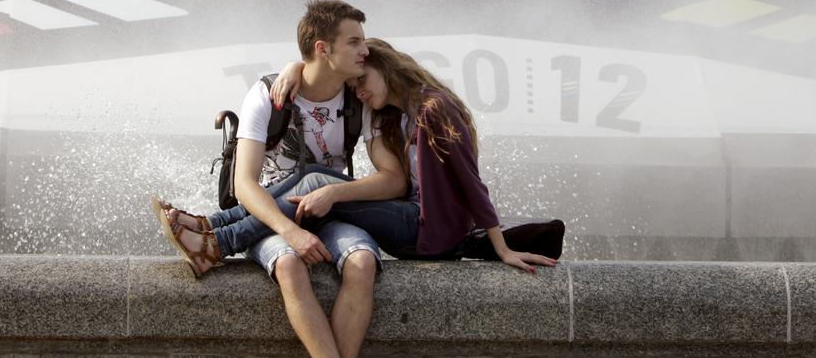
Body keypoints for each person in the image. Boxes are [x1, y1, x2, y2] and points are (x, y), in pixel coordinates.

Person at [165, 38, 561, 276]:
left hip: (428, 231)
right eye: (354, 86)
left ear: (386, 68)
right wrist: (296, 67)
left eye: (362, 81)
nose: (358, 92)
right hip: (410, 217)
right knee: (315, 173)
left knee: (317, 184)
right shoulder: (394, 113)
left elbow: (472, 183)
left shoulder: (434, 109)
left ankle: (217, 242)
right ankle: (209, 226)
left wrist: (501, 248)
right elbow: (326, 64)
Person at [153, 0, 407, 358]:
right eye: (354, 42)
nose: (364, 50)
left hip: (330, 214)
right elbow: (244, 185)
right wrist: (291, 231)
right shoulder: (267, 95)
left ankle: (212, 232)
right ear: (323, 48)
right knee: (289, 264)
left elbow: (394, 180)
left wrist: (334, 194)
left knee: (363, 261)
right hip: (268, 218)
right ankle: (215, 236)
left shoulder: (359, 99)